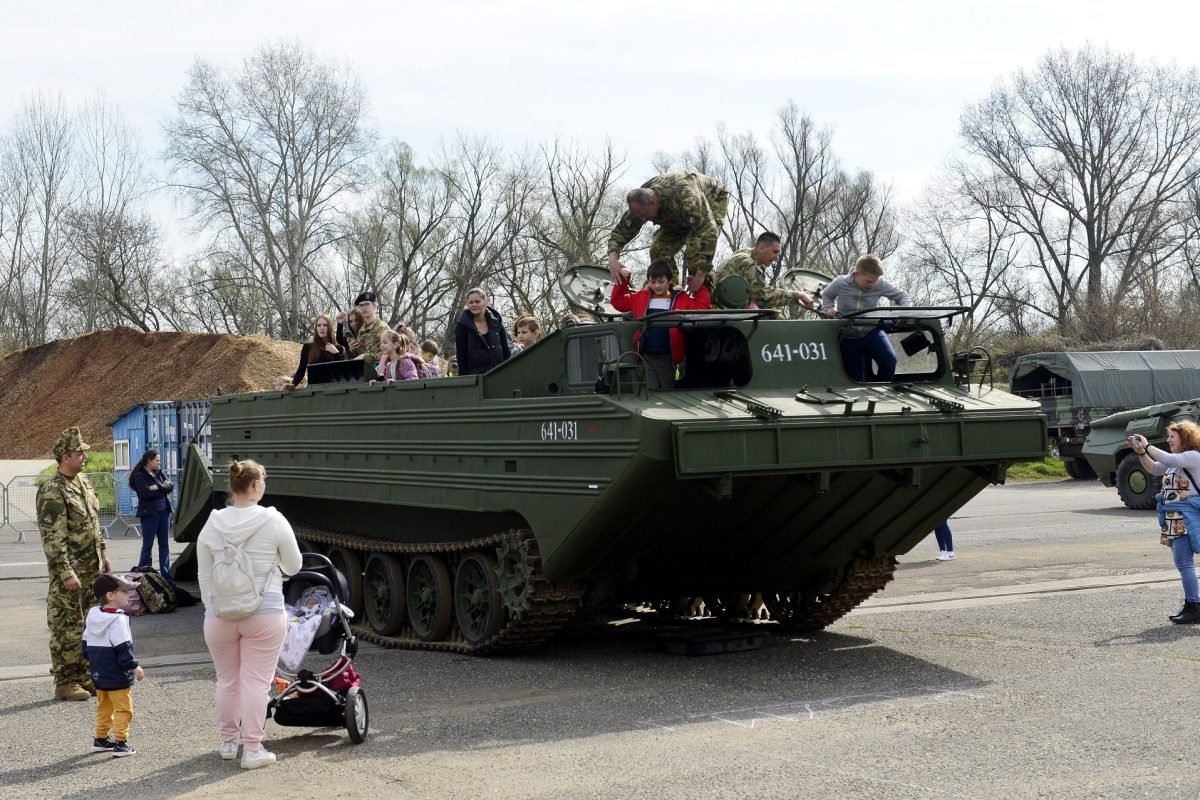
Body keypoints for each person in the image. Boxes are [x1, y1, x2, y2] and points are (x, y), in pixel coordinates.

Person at [196, 459, 302, 769]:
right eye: (263, 481)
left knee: (227, 681)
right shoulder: (273, 520)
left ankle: (229, 743)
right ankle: (252, 749)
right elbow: (294, 566)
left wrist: (212, 607)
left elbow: (204, 575)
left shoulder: (212, 523)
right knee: (256, 681)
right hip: (264, 609)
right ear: (255, 485)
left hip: (219, 614)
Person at [38, 427, 110, 701]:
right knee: (67, 626)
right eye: (79, 452)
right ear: (65, 456)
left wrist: (103, 553)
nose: (84, 456)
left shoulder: (83, 482)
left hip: (91, 569)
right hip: (70, 573)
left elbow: (94, 523)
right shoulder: (53, 490)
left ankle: (83, 675)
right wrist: (66, 572)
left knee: (89, 624)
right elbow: (52, 537)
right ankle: (65, 681)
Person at [607, 171, 729, 295]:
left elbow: (708, 232)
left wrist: (700, 274)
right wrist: (612, 260)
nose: (643, 220)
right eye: (640, 217)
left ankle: (708, 300)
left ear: (653, 202)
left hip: (712, 200)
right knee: (658, 250)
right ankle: (672, 296)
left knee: (697, 255)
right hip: (676, 215)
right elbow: (621, 231)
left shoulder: (687, 199)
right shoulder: (640, 203)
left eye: (645, 215)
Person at [1130, 425, 1200, 624]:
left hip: (1186, 516)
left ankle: (1194, 607)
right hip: (1175, 517)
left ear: (1185, 439)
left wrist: (1148, 444)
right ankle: (1193, 605)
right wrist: (1142, 452)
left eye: (1172, 437)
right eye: (1168, 436)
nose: (1169, 440)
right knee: (1183, 563)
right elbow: (1154, 468)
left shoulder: (1192, 456)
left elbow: (1168, 459)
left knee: (1184, 563)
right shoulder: (1174, 463)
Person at [610, 257, 712, 389]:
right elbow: (617, 301)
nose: (657, 285)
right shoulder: (640, 297)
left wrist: (700, 287)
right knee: (649, 389)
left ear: (669, 281)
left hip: (667, 357)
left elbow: (702, 308)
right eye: (653, 282)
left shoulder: (681, 299)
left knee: (666, 389)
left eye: (661, 281)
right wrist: (623, 280)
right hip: (644, 355)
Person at [820, 254, 911, 381]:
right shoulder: (841, 283)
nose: (873, 285)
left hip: (871, 331)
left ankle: (881, 391)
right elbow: (827, 295)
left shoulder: (881, 284)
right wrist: (828, 309)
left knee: (889, 360)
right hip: (848, 335)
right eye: (869, 281)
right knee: (855, 378)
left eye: (876, 281)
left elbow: (903, 296)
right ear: (856, 274)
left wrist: (904, 311)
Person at [84, 573, 145, 757]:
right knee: (124, 708)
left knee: (104, 706)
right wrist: (134, 666)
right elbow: (123, 647)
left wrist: (92, 665)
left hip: (99, 671)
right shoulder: (119, 619)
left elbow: (85, 644)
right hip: (117, 673)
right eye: (125, 591)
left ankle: (101, 739)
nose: (129, 594)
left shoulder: (93, 615)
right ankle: (121, 742)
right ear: (111, 595)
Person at [713, 232, 815, 311]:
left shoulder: (748, 254)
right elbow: (763, 297)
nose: (777, 257)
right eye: (775, 252)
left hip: (723, 307)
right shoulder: (749, 263)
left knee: (774, 313)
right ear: (761, 248)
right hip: (724, 311)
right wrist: (797, 295)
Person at [129, 449, 174, 578]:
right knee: (148, 545)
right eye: (157, 460)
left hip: (164, 512)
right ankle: (144, 575)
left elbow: (170, 486)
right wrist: (162, 488)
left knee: (164, 545)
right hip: (149, 514)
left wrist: (158, 487)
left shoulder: (159, 473)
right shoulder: (139, 475)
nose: (159, 463)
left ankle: (166, 576)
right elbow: (146, 493)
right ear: (149, 460)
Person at [454, 288, 511, 375]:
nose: (474, 305)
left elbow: (505, 350)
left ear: (485, 301)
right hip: (476, 379)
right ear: (467, 304)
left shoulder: (496, 322)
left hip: (499, 375)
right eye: (471, 302)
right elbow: (461, 357)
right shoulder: (462, 326)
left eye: (477, 301)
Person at [285, 314, 344, 389]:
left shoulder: (339, 348)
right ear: (316, 328)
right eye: (319, 325)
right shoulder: (308, 347)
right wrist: (293, 384)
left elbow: (342, 372)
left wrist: (336, 354)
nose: (321, 328)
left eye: (325, 325)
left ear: (330, 328)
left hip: (333, 390)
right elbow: (301, 370)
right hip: (314, 390)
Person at [345, 291, 388, 366]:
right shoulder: (362, 330)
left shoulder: (382, 328)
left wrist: (364, 357)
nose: (364, 308)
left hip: (379, 370)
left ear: (374, 305)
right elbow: (360, 353)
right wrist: (352, 349)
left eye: (367, 304)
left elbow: (387, 352)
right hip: (363, 370)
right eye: (361, 305)